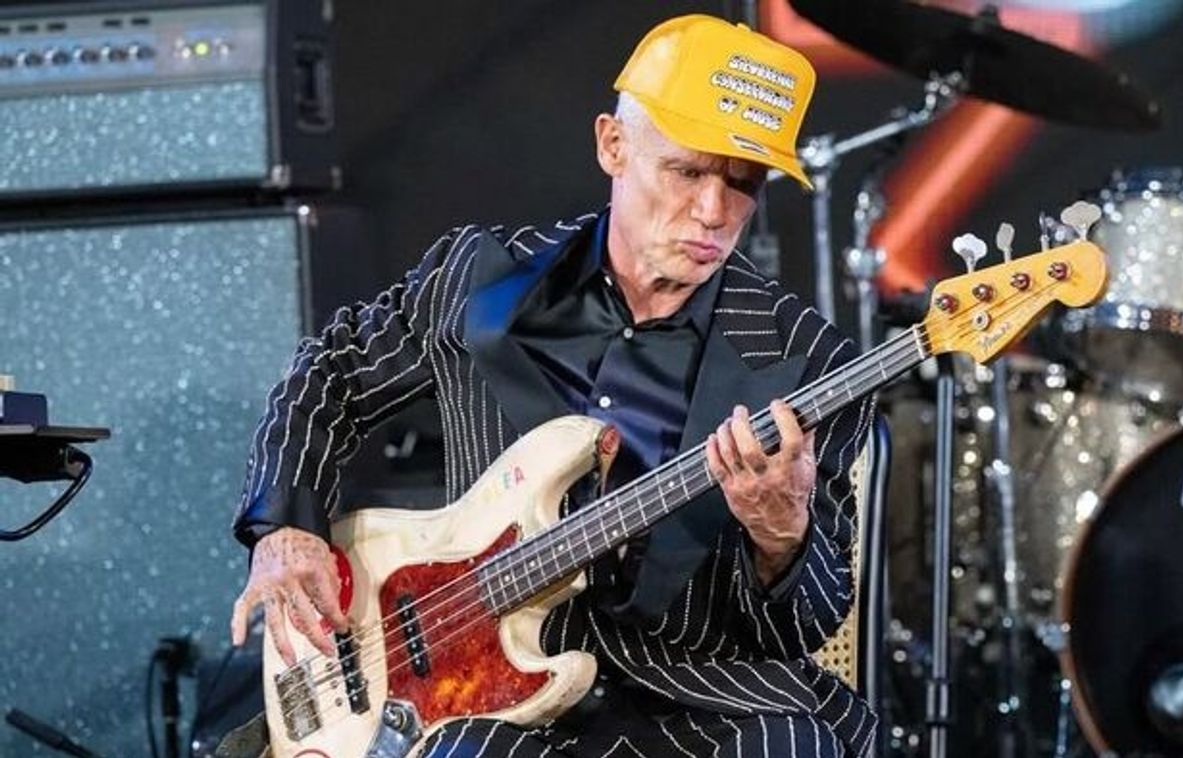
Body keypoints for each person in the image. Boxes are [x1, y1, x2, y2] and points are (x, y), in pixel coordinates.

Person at [230, 14, 877, 757]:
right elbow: (330, 374)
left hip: (688, 698)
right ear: (613, 144)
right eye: (687, 171)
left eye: (743, 182)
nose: (713, 212)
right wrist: (285, 529)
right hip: (473, 693)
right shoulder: (481, 280)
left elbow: (803, 626)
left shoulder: (805, 360)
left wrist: (782, 533)